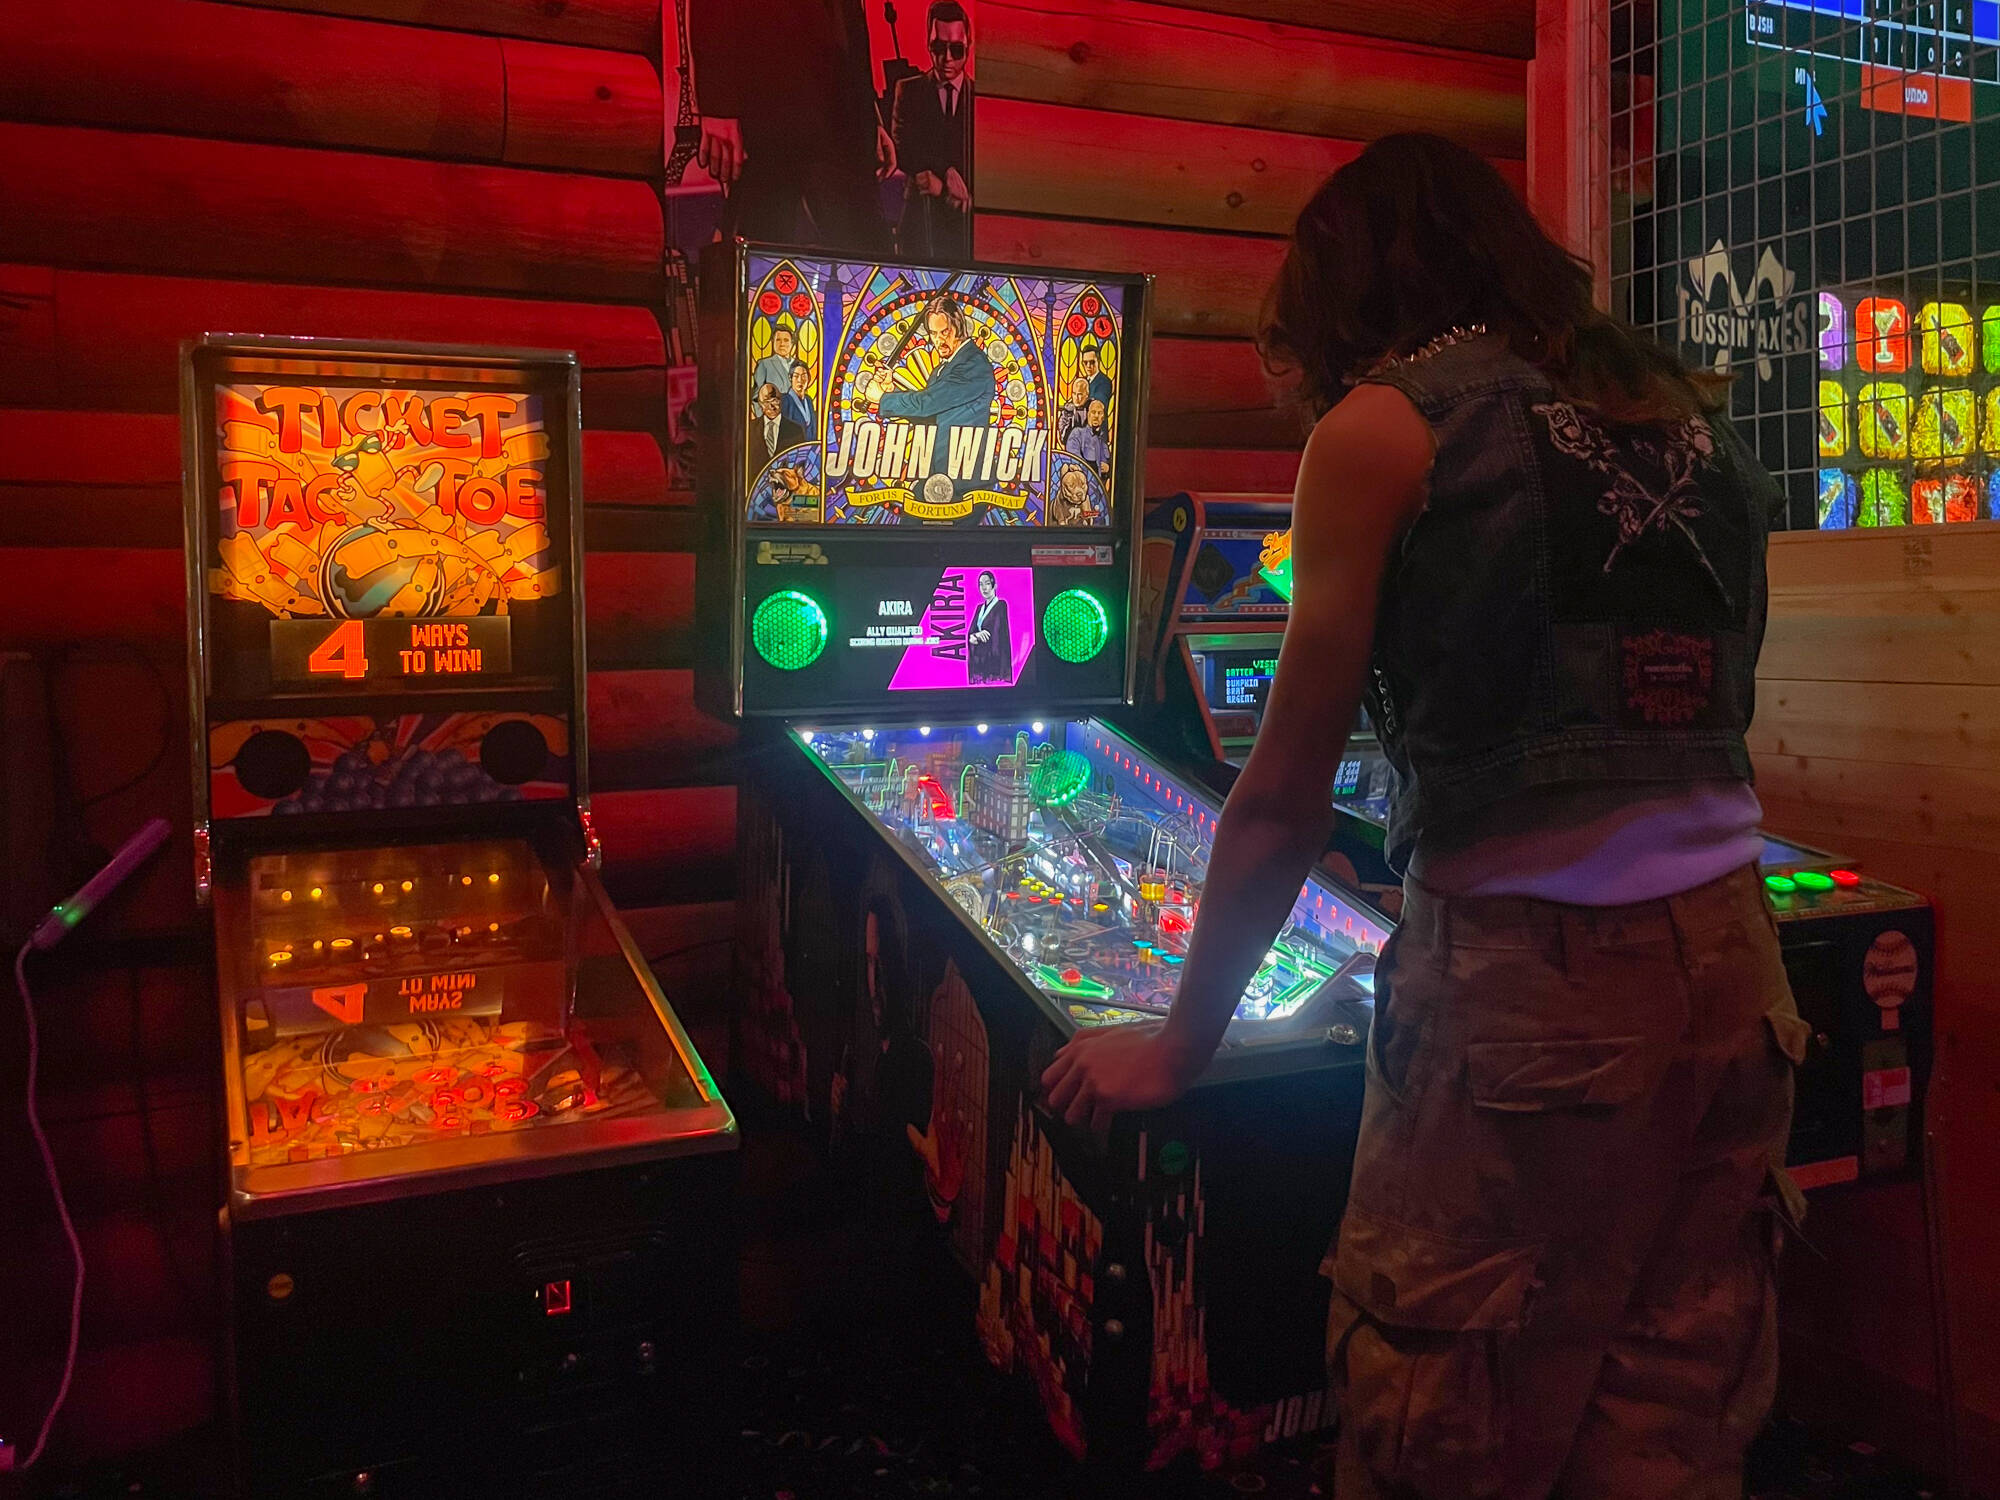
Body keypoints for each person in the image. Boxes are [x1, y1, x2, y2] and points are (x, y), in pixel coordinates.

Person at [1041, 133, 1804, 1500]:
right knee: (1666, 1420)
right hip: (1735, 975)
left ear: (1341, 290)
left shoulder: (1385, 427)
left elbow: (1279, 800)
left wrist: (1178, 1045)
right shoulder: (1679, 413)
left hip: (1528, 987)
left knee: (1441, 1421)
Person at [690, 0, 894, 254]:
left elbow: (848, 19)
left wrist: (869, 115)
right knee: (762, 249)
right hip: (773, 102)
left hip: (840, 114)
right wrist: (718, 104)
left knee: (867, 258)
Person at [864, 291, 995, 512]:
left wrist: (883, 398)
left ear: (959, 327)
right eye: (933, 333)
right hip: (940, 479)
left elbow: (927, 403)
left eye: (945, 332)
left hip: (967, 484)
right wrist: (891, 389)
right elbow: (929, 416)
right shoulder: (941, 369)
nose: (939, 340)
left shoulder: (973, 365)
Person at [890, 1, 975, 260]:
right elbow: (902, 146)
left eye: (956, 49)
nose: (947, 58)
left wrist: (950, 185)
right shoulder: (908, 90)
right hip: (920, 225)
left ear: (968, 47)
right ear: (929, 44)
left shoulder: (984, 100)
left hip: (968, 228)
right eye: (939, 47)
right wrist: (946, 172)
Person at [966, 570, 1010, 684]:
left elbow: (996, 632)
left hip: (995, 662)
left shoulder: (1001, 605)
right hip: (979, 662)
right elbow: (970, 633)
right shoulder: (979, 608)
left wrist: (977, 636)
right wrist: (975, 635)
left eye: (987, 583)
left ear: (994, 586)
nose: (984, 588)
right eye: (981, 584)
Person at [754, 383, 807, 464]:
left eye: (774, 401)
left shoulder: (796, 430)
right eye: (766, 402)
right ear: (760, 404)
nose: (771, 406)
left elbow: (800, 462)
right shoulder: (750, 430)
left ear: (780, 401)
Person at [1063, 398, 1111, 481]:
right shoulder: (1077, 433)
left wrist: (1108, 468)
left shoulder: (1103, 441)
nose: (1096, 416)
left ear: (1103, 417)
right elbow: (1073, 459)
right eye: (1093, 412)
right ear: (1088, 414)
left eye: (1099, 413)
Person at [754, 326, 801, 409]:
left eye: (786, 340)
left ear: (792, 343)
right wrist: (764, 419)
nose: (782, 344)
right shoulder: (765, 364)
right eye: (778, 340)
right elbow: (756, 398)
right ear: (773, 342)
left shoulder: (799, 365)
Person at [1054, 374, 1092, 451]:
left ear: (1087, 395)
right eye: (1074, 394)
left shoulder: (1093, 409)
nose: (1077, 398)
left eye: (1080, 394)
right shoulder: (1067, 411)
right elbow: (1063, 436)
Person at [784, 359, 817, 431]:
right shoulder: (785, 400)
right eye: (796, 376)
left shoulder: (808, 401)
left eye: (804, 376)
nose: (800, 380)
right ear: (790, 378)